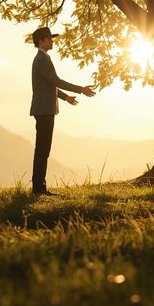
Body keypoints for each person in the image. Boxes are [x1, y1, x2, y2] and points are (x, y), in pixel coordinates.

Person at [29, 26, 95, 196]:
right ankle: (39, 188)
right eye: (49, 39)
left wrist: (66, 98)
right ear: (41, 41)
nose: (52, 41)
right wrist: (80, 89)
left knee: (43, 149)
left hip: (44, 109)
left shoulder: (42, 59)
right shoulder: (42, 59)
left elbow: (50, 85)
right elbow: (56, 81)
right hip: (44, 110)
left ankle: (39, 187)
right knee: (43, 149)